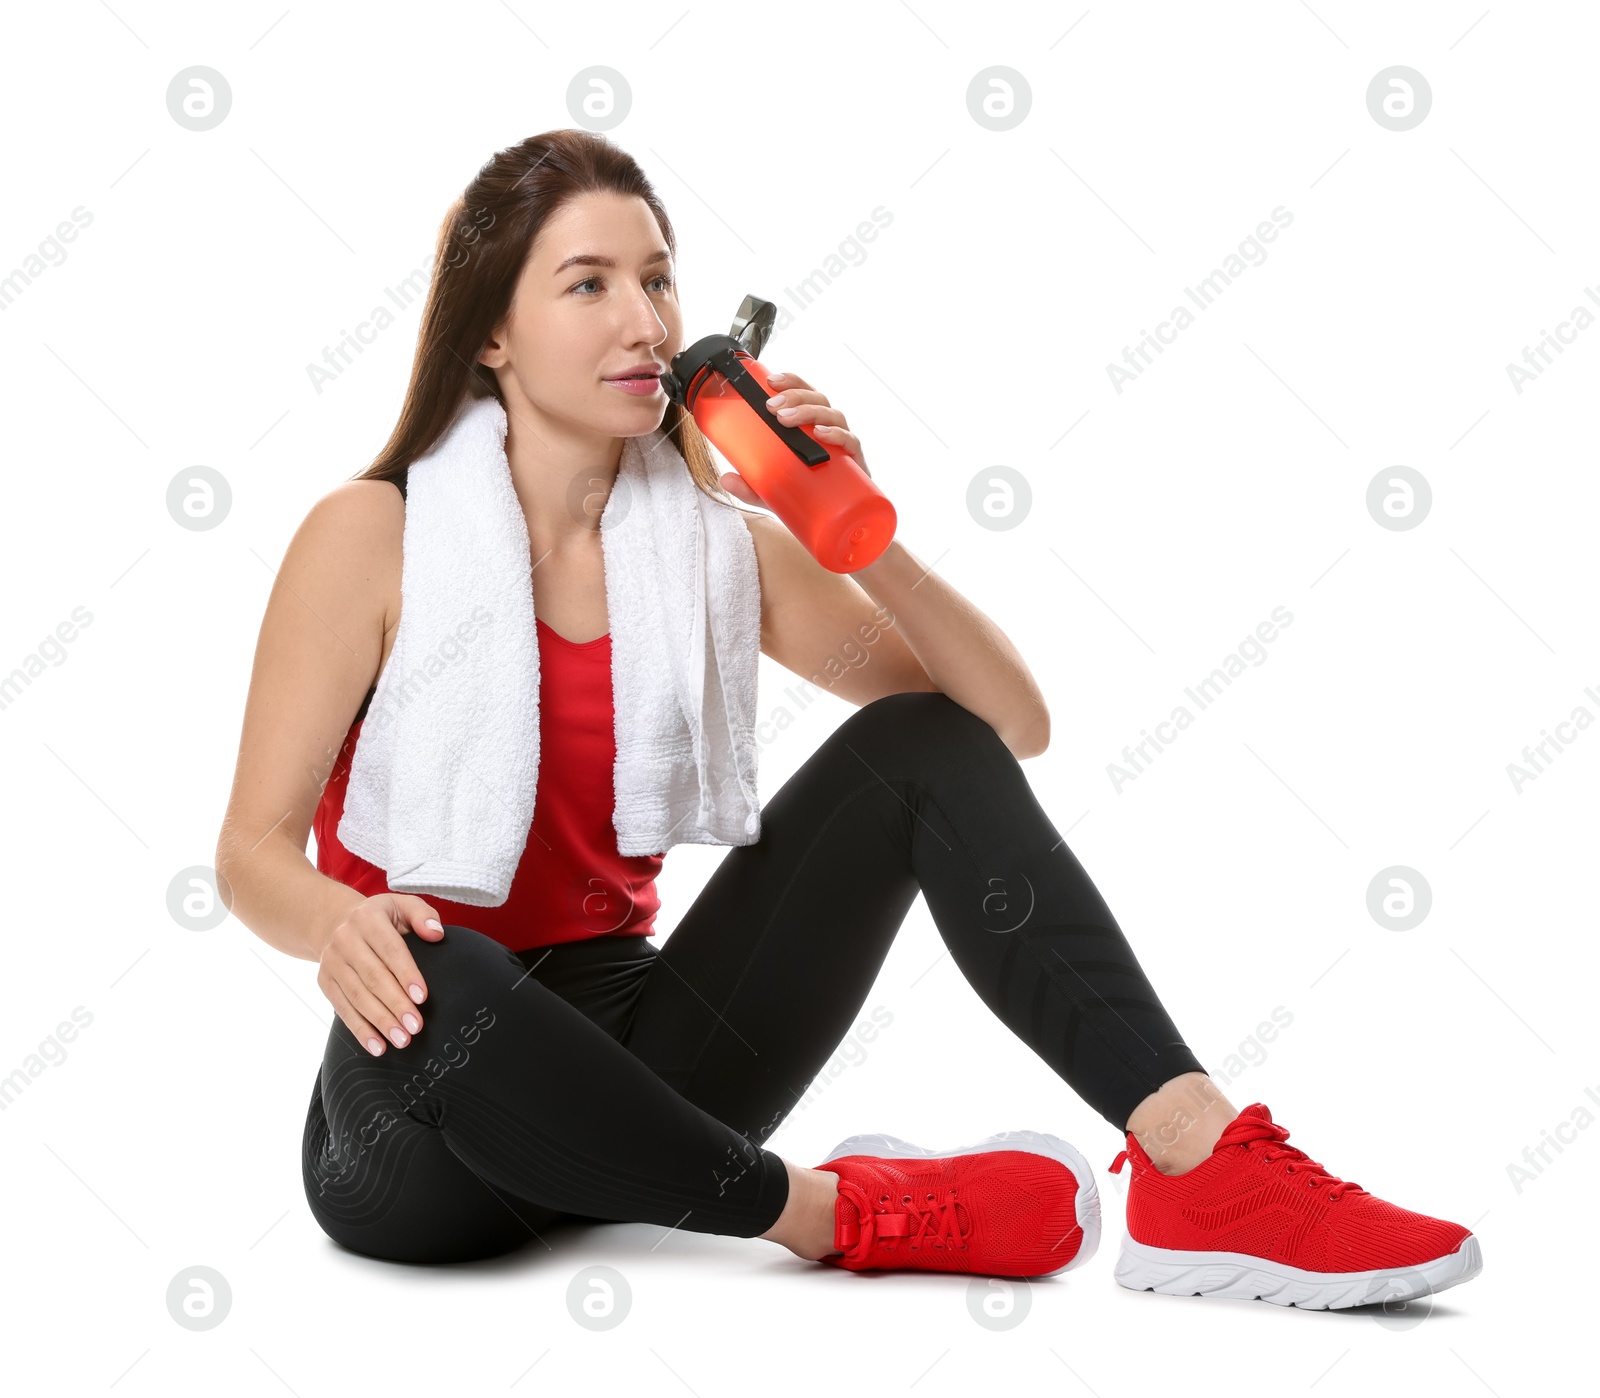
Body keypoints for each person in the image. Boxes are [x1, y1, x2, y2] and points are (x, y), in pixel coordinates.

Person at [214, 129, 1482, 1306]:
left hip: (654, 1059)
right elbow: (251, 853)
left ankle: (1197, 1166)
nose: (644, 321)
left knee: (918, 747)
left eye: (658, 281)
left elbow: (1005, 726)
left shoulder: (712, 550)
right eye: (587, 284)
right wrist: (340, 922)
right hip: (420, 1108)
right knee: (440, 957)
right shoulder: (372, 537)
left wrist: (853, 524)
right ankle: (841, 1214)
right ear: (490, 332)